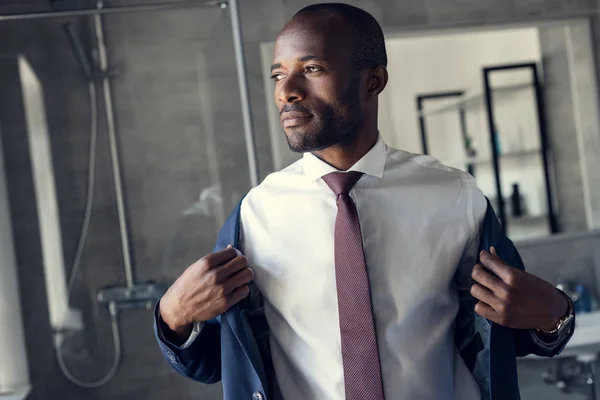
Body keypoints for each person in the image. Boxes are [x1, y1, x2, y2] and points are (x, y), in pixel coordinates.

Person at [154, 4, 575, 400]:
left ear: (373, 80)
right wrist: (172, 318)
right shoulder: (256, 214)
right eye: (278, 75)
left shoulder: (455, 197)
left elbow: (514, 330)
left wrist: (557, 314)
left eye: (312, 69)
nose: (287, 92)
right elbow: (212, 361)